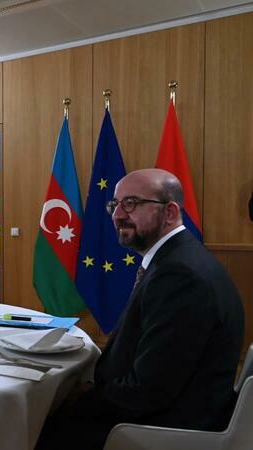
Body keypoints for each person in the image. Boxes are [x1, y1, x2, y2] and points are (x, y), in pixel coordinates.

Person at [36, 168, 244, 450]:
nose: (117, 214)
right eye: (115, 204)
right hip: (168, 408)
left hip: (166, 429)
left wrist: (79, 399)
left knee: (36, 424)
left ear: (170, 212)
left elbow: (149, 391)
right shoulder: (177, 259)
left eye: (131, 203)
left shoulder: (180, 276)